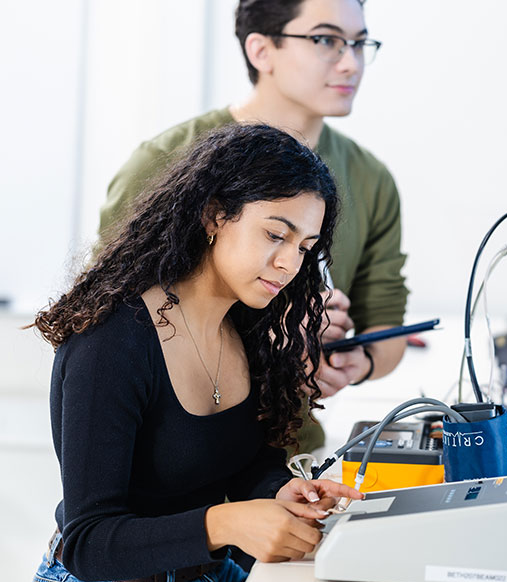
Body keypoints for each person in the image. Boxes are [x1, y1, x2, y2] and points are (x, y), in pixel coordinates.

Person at [24, 124, 363, 582]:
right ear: (214, 216)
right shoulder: (111, 343)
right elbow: (89, 542)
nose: (290, 264)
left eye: (304, 248)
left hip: (206, 580)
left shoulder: (247, 328)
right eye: (275, 235)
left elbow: (247, 468)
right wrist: (224, 521)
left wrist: (280, 494)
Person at [99, 0, 408, 453]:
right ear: (261, 50)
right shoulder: (167, 161)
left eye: (360, 43)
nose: (351, 62)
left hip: (292, 458)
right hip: (172, 471)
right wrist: (275, 330)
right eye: (326, 40)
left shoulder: (371, 179)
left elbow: (387, 323)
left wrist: (347, 361)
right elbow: (103, 322)